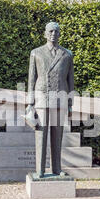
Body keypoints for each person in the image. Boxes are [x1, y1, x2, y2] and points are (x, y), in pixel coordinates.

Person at [25, 22, 74, 178]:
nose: (53, 34)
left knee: (57, 135)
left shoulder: (67, 54)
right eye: (50, 31)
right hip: (41, 97)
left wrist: (70, 103)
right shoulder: (36, 53)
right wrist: (30, 103)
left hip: (60, 97)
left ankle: (57, 169)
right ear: (45, 34)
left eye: (56, 31)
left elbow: (70, 80)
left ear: (60, 34)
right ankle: (39, 169)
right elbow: (31, 79)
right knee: (41, 134)